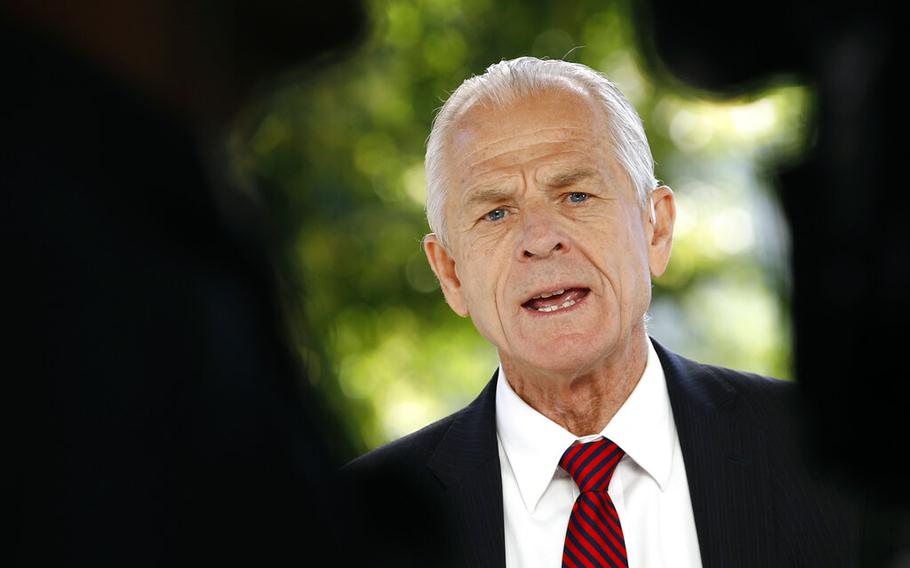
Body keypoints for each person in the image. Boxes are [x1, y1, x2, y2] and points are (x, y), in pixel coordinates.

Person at [342, 57, 864, 567]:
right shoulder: (356, 526)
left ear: (655, 229)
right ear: (450, 273)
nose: (541, 239)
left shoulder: (834, 457)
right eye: (496, 212)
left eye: (576, 195)